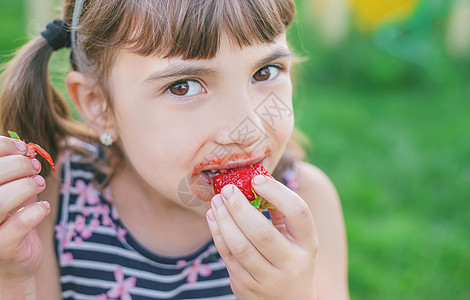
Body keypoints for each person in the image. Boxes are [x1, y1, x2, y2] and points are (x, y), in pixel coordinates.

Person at [0, 0, 349, 299]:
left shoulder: (305, 206)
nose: (249, 129)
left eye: (265, 71)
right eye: (183, 86)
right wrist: (12, 279)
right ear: (99, 106)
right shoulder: (52, 202)